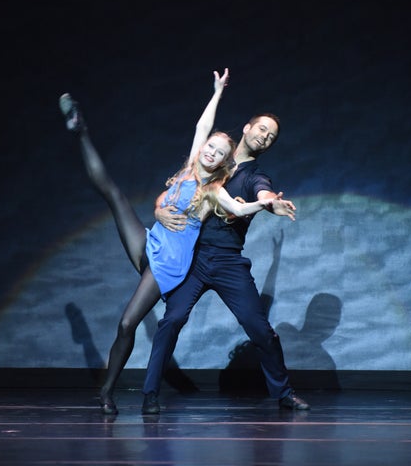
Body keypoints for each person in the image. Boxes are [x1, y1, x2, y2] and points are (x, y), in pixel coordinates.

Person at [59, 68, 294, 415]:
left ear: (224, 163)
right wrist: (217, 93)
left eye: (218, 152)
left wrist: (268, 203)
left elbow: (240, 208)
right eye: (209, 147)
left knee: (128, 324)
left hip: (167, 260)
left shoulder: (214, 188)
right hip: (151, 242)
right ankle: (81, 131)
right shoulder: (188, 167)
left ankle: (106, 391)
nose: (210, 152)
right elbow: (202, 127)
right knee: (113, 194)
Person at [141, 109, 311, 414]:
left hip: (228, 262)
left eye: (270, 136)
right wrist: (157, 209)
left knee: (259, 329)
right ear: (247, 128)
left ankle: (284, 393)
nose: (264, 137)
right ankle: (150, 393)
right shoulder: (214, 158)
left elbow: (264, 193)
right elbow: (178, 185)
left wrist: (271, 202)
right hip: (193, 257)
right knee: (172, 320)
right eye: (261, 129)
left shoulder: (254, 175)